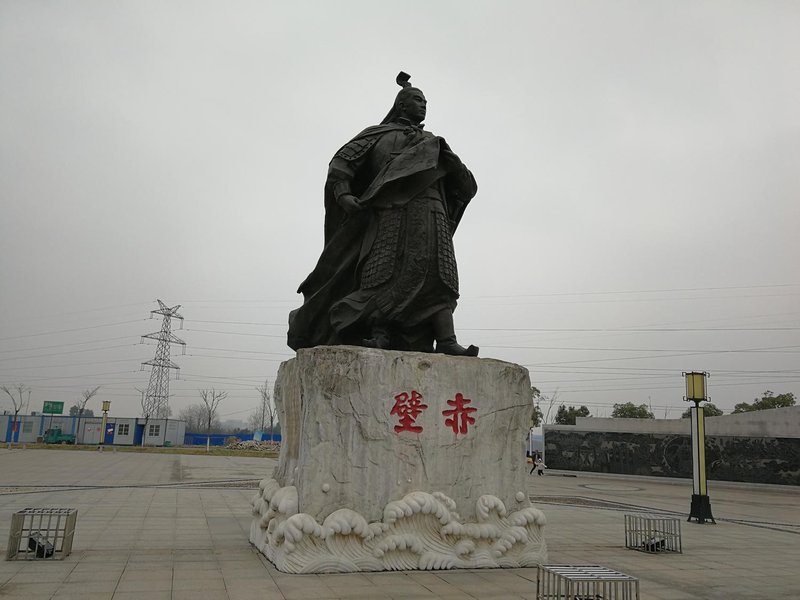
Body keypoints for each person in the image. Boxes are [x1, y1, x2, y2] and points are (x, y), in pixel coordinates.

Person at [288, 72, 479, 356]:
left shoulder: (435, 144)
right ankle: (379, 334)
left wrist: (453, 163)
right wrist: (344, 194)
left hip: (432, 213)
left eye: (425, 102)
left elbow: (465, 187)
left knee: (439, 274)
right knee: (384, 274)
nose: (423, 105)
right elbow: (341, 164)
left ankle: (446, 339)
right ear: (401, 104)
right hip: (391, 213)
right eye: (417, 100)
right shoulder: (377, 136)